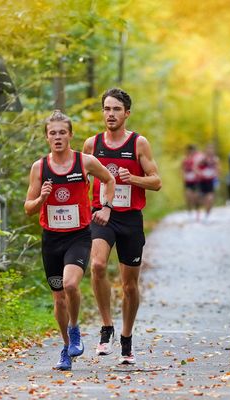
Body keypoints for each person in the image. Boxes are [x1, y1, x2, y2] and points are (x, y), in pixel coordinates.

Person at [25, 110, 115, 371]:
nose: (57, 137)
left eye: (62, 132)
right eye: (52, 133)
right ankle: (66, 348)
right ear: (46, 138)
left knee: (70, 285)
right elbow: (28, 207)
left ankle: (75, 329)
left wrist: (106, 207)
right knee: (58, 298)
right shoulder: (39, 167)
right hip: (51, 239)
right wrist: (41, 198)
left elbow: (109, 180)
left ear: (70, 135)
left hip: (78, 236)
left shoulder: (84, 161)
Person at [83, 88, 162, 365]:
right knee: (98, 266)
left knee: (129, 286)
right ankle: (107, 327)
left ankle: (126, 338)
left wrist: (133, 180)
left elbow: (156, 181)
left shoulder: (139, 144)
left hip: (130, 218)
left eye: (116, 109)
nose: (111, 114)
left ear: (127, 113)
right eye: (106, 109)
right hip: (102, 216)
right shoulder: (92, 145)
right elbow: (81, 182)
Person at [196, 144, 220, 222]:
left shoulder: (215, 160)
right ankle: (201, 213)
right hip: (202, 181)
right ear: (206, 151)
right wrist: (200, 173)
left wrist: (216, 175)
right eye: (208, 150)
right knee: (203, 199)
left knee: (210, 198)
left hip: (210, 181)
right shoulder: (202, 159)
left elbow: (218, 169)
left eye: (211, 150)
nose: (210, 151)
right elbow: (195, 167)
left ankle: (207, 214)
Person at [182, 144, 201, 221]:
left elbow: (201, 168)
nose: (191, 152)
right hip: (188, 181)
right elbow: (182, 169)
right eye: (189, 151)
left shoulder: (198, 159)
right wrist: (183, 176)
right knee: (188, 197)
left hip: (196, 181)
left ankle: (197, 213)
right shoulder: (185, 160)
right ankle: (190, 212)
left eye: (192, 151)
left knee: (196, 198)